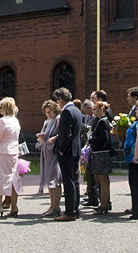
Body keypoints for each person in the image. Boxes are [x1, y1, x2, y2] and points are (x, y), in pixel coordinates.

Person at [52, 87, 82, 221]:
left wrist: (61, 149)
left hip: (67, 151)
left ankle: (69, 212)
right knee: (74, 180)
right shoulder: (76, 110)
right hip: (75, 149)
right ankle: (75, 208)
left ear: (61, 99)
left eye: (57, 100)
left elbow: (66, 133)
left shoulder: (67, 111)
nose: (57, 103)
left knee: (68, 180)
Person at [36, 99, 63, 216]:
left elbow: (62, 132)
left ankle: (56, 206)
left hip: (54, 153)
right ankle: (52, 205)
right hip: (46, 152)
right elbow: (44, 133)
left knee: (55, 180)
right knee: (49, 180)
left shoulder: (58, 119)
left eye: (50, 112)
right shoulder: (47, 122)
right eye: (46, 112)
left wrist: (55, 137)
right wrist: (41, 138)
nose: (49, 114)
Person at [88, 100, 113, 213]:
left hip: (100, 153)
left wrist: (91, 140)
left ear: (101, 109)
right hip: (102, 152)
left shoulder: (102, 122)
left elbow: (104, 138)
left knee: (102, 179)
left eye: (95, 109)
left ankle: (103, 204)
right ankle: (106, 202)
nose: (93, 112)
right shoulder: (104, 121)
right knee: (104, 179)